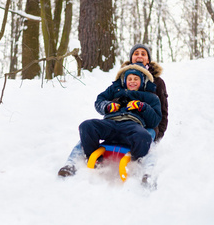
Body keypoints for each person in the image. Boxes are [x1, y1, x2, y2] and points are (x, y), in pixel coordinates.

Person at [58, 44, 168, 177]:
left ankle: (144, 170)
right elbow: (101, 100)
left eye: (143, 54)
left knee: (147, 140)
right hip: (113, 121)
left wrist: (157, 133)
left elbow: (160, 112)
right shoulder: (118, 85)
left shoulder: (156, 85)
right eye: (136, 53)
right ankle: (73, 163)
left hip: (139, 124)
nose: (139, 56)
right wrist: (108, 106)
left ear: (148, 60)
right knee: (87, 128)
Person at [79, 63, 162, 161]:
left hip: (131, 126)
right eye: (129, 79)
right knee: (86, 126)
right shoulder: (115, 90)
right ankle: (95, 159)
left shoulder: (150, 97)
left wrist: (142, 107)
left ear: (143, 81)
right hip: (111, 124)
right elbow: (99, 101)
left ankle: (135, 163)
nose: (132, 82)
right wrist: (108, 106)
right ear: (124, 80)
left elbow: (155, 121)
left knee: (144, 136)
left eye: (136, 79)